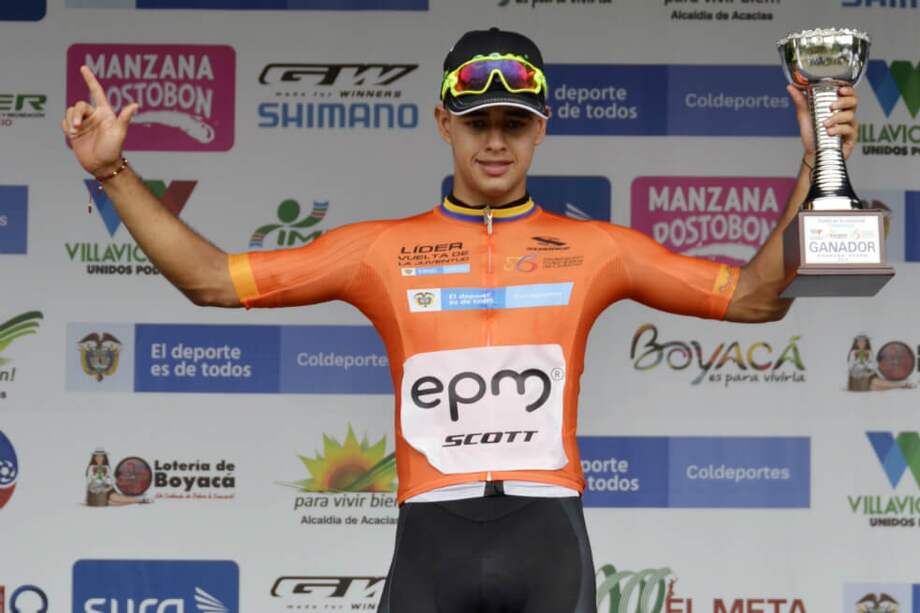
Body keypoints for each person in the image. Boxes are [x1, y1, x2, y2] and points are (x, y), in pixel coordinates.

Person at [62, 27, 859, 613]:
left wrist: (813, 159)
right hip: (431, 541)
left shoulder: (597, 248)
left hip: (547, 534)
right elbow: (210, 281)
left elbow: (757, 294)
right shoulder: (379, 249)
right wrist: (114, 172)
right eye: (477, 122)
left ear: (541, 128)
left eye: (514, 123)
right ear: (444, 123)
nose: (495, 141)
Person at [847, 334, 914, 391]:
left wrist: (866, 364)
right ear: (856, 343)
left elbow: (875, 365)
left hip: (868, 374)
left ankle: (902, 386)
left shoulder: (869, 353)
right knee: (876, 385)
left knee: (878, 383)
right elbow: (850, 366)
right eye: (860, 342)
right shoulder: (853, 353)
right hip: (857, 377)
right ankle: (902, 385)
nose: (862, 344)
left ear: (866, 343)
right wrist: (858, 363)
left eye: (864, 342)